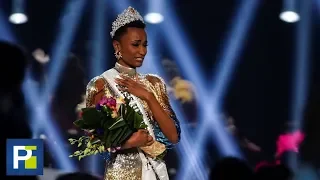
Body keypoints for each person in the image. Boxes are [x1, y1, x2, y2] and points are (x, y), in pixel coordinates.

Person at [85, 6, 181, 180]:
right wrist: (130, 142)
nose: (142, 51)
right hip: (121, 174)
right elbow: (94, 142)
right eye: (135, 44)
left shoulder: (154, 83)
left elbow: (173, 137)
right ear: (117, 45)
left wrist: (148, 96)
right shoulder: (100, 84)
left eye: (145, 45)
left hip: (156, 172)